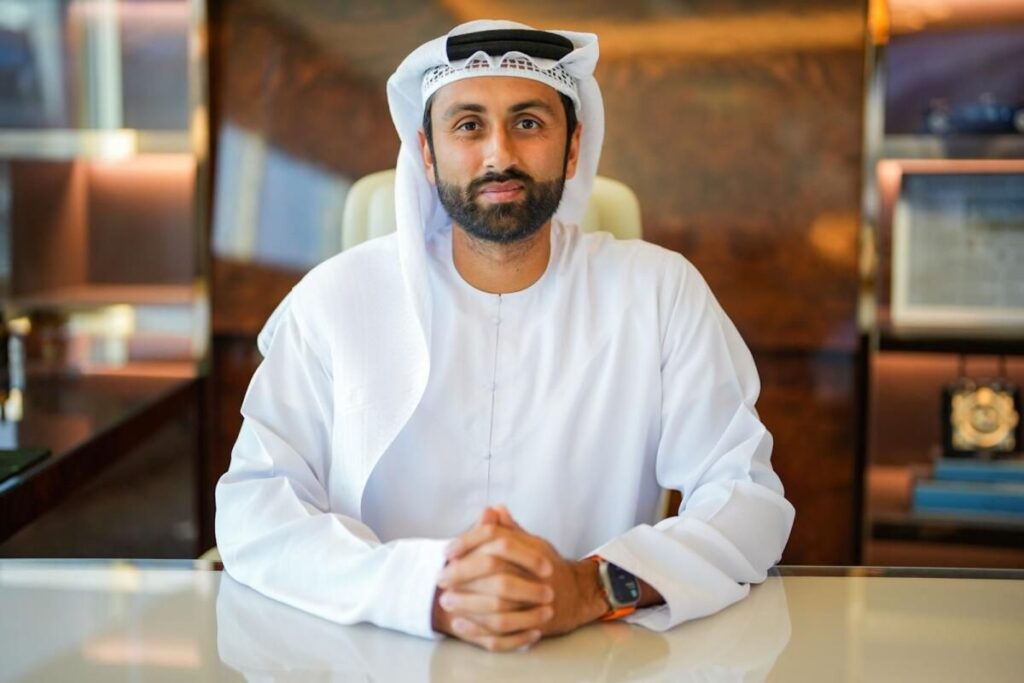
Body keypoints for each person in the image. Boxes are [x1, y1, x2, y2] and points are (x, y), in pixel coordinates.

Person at [215, 19, 795, 653]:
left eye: (528, 122)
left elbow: (747, 500)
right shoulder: (336, 299)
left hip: (595, 654)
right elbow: (255, 509)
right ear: (427, 152)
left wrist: (590, 588)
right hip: (381, 652)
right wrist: (423, 592)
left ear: (572, 148)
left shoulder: (658, 292)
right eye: (468, 125)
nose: (499, 155)